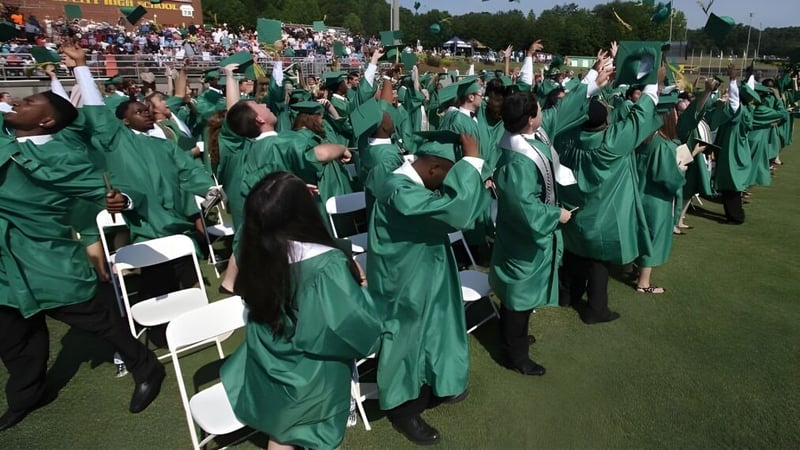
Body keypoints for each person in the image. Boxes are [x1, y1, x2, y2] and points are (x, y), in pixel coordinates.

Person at [0, 89, 164, 432]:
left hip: (44, 259)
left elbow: (114, 188)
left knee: (100, 322)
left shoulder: (64, 157)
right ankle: (27, 395)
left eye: (29, 103)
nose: (17, 103)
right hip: (4, 263)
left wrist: (122, 199)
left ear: (47, 121)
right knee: (14, 336)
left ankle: (146, 367)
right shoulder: (3, 134)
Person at [220, 172, 382, 450]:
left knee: (282, 432)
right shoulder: (326, 264)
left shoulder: (252, 247)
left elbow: (230, 283)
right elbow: (349, 322)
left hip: (269, 354)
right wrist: (363, 283)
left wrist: (278, 199)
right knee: (316, 433)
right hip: (314, 367)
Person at [368, 132, 486, 445]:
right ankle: (403, 409)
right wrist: (472, 162)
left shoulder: (412, 183)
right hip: (403, 279)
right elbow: (456, 212)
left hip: (428, 268)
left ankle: (440, 382)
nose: (447, 185)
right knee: (406, 338)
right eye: (448, 176)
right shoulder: (398, 190)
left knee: (438, 327)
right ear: (433, 168)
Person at [557, 65, 665, 324]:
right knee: (599, 261)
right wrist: (653, 80)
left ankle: (567, 296)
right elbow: (642, 114)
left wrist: (592, 79)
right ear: (606, 121)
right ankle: (596, 310)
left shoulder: (567, 139)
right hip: (604, 214)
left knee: (575, 253)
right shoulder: (613, 141)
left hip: (576, 210)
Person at [490, 91, 573, 375]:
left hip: (519, 233)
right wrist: (556, 214)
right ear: (529, 119)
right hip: (522, 236)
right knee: (519, 296)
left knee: (519, 295)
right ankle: (516, 355)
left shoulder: (520, 142)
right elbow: (524, 207)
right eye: (539, 110)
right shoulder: (519, 160)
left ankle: (514, 338)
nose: (543, 113)